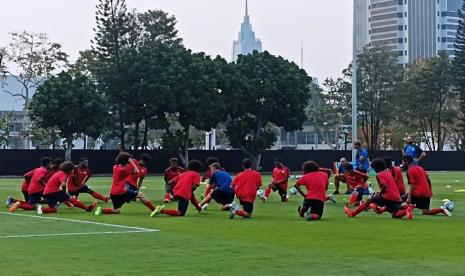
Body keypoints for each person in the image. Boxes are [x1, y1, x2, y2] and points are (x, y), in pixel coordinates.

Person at [343, 158, 413, 219]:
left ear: (376, 168)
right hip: (396, 197)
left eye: (373, 168)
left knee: (369, 200)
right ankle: (407, 209)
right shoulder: (388, 173)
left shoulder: (379, 175)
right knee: (395, 215)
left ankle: (353, 213)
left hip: (388, 197)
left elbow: (384, 186)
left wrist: (380, 194)